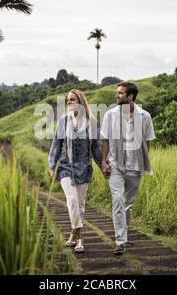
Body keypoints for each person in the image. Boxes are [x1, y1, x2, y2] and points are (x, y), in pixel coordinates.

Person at [100, 82, 156, 255]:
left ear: (130, 97)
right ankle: (120, 241)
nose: (116, 96)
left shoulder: (144, 116)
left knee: (127, 205)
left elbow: (147, 142)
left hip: (135, 165)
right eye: (117, 93)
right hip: (115, 164)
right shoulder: (110, 115)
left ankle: (124, 233)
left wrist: (144, 163)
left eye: (120, 93)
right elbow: (106, 140)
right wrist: (103, 162)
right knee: (117, 200)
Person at [48, 89, 102, 253]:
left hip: (84, 168)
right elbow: (56, 145)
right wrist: (52, 166)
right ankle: (80, 238)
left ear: (81, 101)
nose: (69, 102)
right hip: (65, 167)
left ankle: (73, 233)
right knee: (72, 200)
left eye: (72, 99)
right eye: (67, 100)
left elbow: (96, 148)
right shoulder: (63, 121)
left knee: (80, 205)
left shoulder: (91, 122)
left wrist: (104, 166)